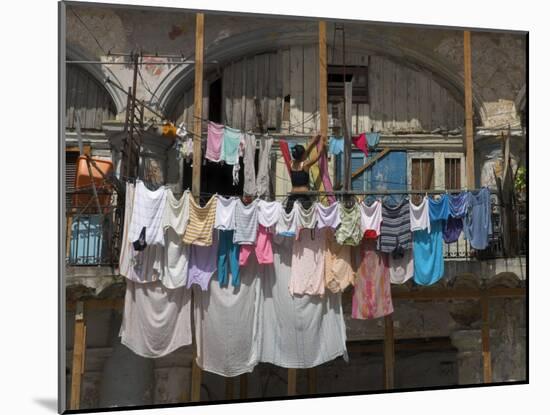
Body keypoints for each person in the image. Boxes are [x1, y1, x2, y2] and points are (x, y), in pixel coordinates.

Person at [286, 134, 326, 213]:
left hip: (292, 197)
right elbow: (317, 156)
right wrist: (321, 143)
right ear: (302, 156)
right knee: (306, 219)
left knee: (290, 218)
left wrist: (313, 141)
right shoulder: (305, 165)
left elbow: (303, 154)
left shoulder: (291, 164)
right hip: (303, 198)